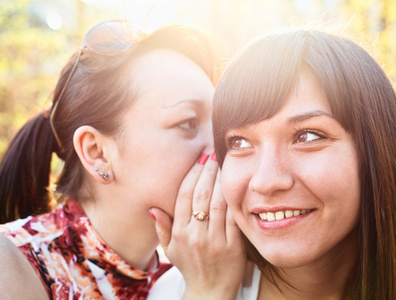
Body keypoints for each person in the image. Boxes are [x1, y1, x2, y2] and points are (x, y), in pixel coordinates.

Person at [0, 20, 246, 299]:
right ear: (97, 153)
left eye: (218, 126)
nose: (221, 147)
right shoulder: (10, 266)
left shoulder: (194, 272)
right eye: (188, 122)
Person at [209, 27, 396, 299]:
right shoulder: (184, 290)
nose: (265, 181)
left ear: (374, 152)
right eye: (239, 143)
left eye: (307, 136)